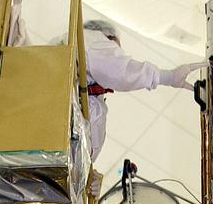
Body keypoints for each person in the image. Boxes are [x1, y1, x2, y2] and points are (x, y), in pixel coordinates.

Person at [83, 19, 203, 160]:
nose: (117, 53)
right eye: (116, 49)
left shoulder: (79, 62)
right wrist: (169, 77)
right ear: (109, 37)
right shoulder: (91, 39)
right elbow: (120, 70)